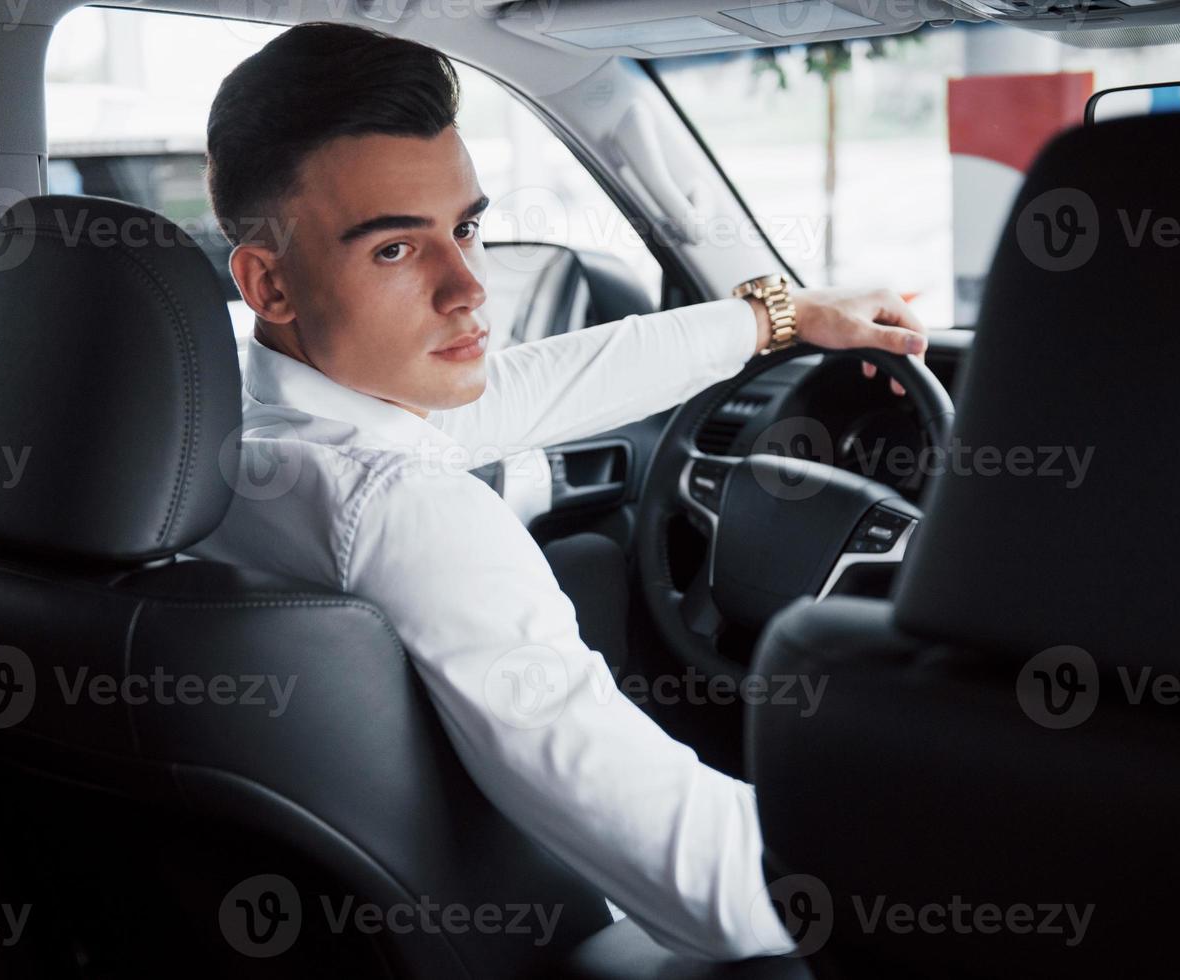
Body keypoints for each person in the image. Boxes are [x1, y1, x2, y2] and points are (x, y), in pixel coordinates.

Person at [189, 21, 927, 961]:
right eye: (393, 250)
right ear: (269, 284)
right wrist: (957, 864)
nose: (468, 290)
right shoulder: (400, 509)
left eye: (465, 228)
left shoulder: (238, 442)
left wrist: (782, 316)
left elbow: (535, 384)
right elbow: (723, 893)